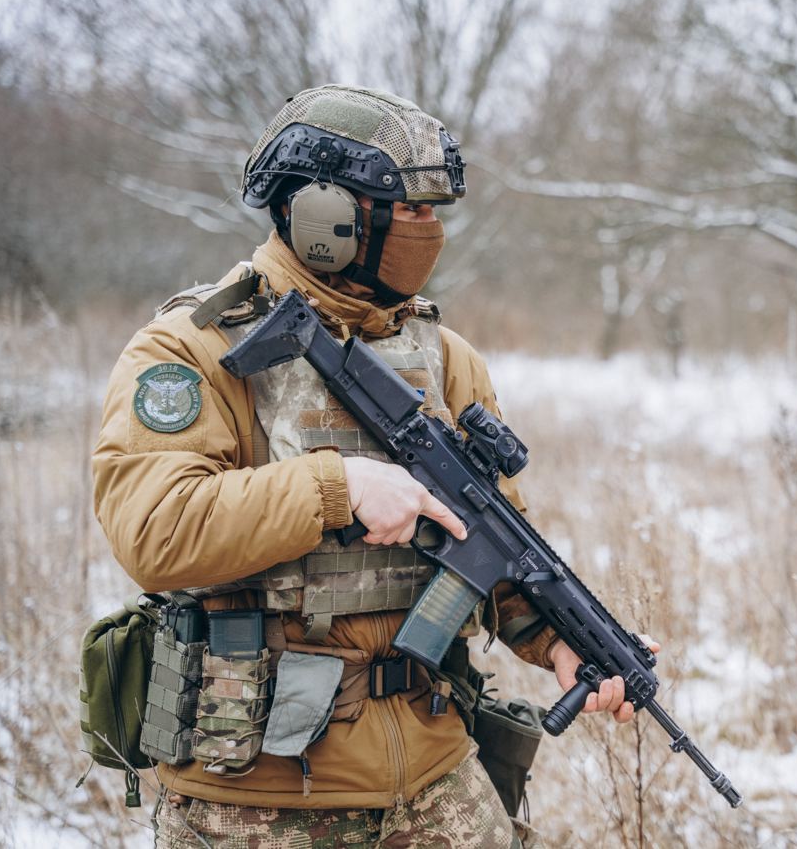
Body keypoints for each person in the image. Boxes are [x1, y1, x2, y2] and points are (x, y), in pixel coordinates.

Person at [92, 85, 657, 848]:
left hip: (437, 774)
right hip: (257, 798)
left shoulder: (444, 359)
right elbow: (155, 534)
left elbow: (487, 540)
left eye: (436, 212)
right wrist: (337, 487)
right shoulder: (190, 350)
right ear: (323, 217)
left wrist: (555, 639)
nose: (429, 230)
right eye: (409, 209)